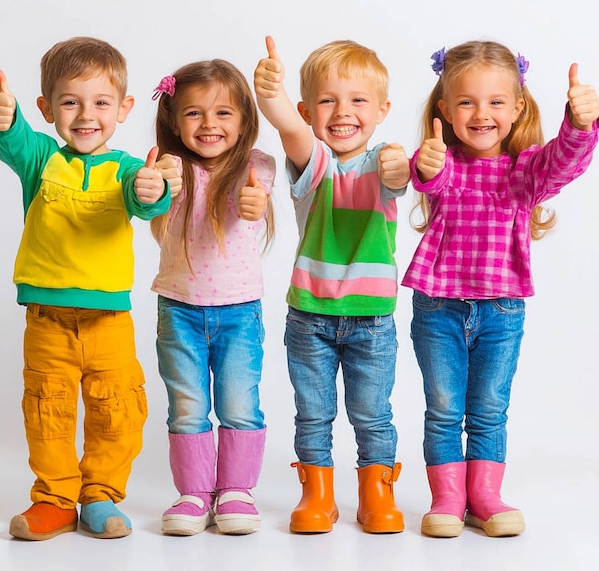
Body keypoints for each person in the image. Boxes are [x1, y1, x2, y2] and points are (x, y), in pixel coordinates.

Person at [403, 40, 598, 538]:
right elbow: (430, 177)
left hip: (501, 309)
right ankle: (448, 497)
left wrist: (578, 125)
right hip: (438, 306)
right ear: (445, 110)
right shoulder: (441, 161)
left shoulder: (525, 170)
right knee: (444, 407)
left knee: (489, 408)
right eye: (466, 102)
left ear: (517, 108)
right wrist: (426, 163)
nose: (481, 113)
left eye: (494, 102)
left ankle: (484, 496)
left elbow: (564, 161)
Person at [0, 36, 170, 541]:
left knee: (118, 411)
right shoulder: (41, 158)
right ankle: (56, 498)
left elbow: (148, 198)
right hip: (47, 320)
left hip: (109, 322)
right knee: (48, 410)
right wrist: (0, 114)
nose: (86, 115)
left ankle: (100, 496)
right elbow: (12, 135)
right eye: (70, 102)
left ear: (124, 108)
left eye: (101, 103)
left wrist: (156, 189)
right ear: (46, 108)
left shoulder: (128, 169)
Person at [254, 36, 410, 534]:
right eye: (327, 101)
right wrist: (271, 95)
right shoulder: (313, 162)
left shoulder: (387, 161)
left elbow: (406, 173)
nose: (343, 112)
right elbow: (290, 128)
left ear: (383, 109)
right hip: (310, 318)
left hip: (373, 321)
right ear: (308, 110)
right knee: (313, 415)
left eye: (358, 100)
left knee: (372, 416)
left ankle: (375, 495)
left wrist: (403, 165)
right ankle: (317, 496)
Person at [149, 59, 276, 536]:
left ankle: (237, 489)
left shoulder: (256, 166)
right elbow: (152, 204)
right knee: (187, 403)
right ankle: (194, 492)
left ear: (244, 119)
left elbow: (255, 202)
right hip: (178, 308)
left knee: (239, 401)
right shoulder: (169, 167)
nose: (209, 125)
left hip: (240, 310)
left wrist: (255, 203)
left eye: (223, 113)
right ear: (174, 120)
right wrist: (155, 187)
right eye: (194, 113)